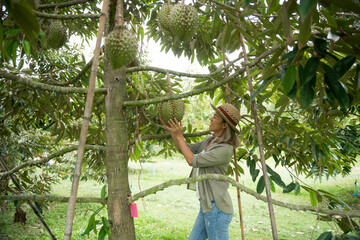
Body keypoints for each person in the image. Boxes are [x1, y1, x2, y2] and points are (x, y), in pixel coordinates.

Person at [161, 103, 241, 240]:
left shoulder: (224, 149)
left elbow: (192, 160)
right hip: (206, 206)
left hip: (216, 209)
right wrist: (174, 133)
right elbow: (185, 149)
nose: (210, 119)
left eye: (215, 117)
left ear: (224, 125)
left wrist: (179, 135)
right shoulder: (210, 140)